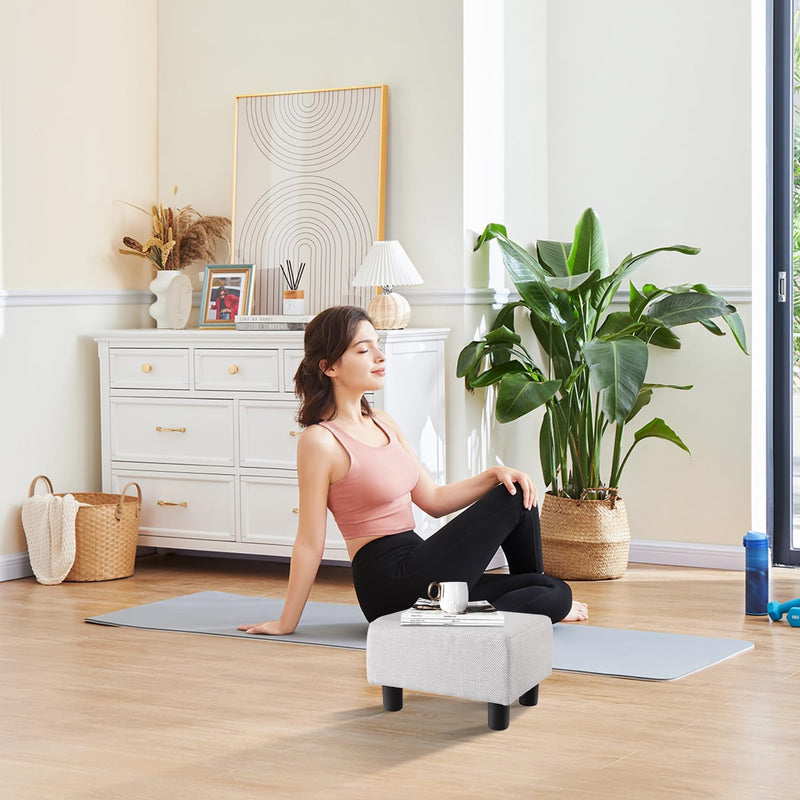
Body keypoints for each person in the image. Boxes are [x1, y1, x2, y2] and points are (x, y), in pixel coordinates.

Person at [238, 306, 587, 635]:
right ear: (329, 367)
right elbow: (309, 542)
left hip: (419, 563)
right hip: (388, 582)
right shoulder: (320, 441)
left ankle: (530, 604)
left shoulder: (383, 422)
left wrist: (492, 474)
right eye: (363, 350)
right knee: (513, 501)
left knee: (551, 582)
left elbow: (433, 500)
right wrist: (286, 622)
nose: (379, 357)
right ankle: (528, 610)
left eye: (377, 345)